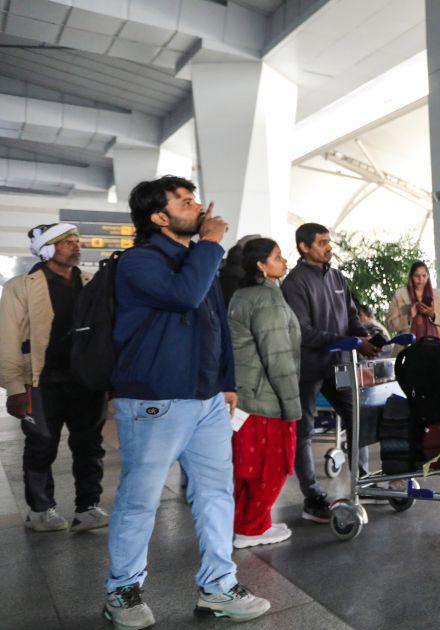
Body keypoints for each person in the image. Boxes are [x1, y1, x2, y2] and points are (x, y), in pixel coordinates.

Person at [104, 176, 270, 628]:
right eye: (184, 202)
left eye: (194, 198)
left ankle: (218, 586)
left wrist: (226, 382)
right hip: (155, 400)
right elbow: (184, 296)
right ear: (159, 217)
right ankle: (122, 591)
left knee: (215, 493)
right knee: (140, 500)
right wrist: (211, 243)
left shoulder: (198, 258)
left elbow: (216, 323)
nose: (197, 207)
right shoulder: (139, 261)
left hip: (207, 399)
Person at [0, 223, 108, 532]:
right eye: (67, 242)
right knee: (41, 446)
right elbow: (8, 338)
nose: (76, 246)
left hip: (86, 381)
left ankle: (88, 507)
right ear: (47, 249)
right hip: (42, 382)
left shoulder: (90, 282)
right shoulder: (21, 286)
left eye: (77, 241)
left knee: (90, 445)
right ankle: (40, 510)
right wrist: (14, 388)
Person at [282, 222, 380, 524]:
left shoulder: (337, 277)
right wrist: (350, 342)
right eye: (322, 242)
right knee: (304, 431)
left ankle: (361, 482)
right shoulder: (294, 283)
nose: (329, 247)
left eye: (329, 241)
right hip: (308, 368)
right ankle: (313, 498)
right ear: (304, 247)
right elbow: (303, 332)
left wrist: (363, 336)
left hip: (341, 365)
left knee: (357, 418)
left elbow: (351, 316)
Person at [228, 238, 301, 549]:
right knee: (270, 465)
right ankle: (253, 528)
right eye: (277, 256)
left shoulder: (241, 295)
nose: (283, 261)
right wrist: (291, 406)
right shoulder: (267, 299)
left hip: (245, 394)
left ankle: (246, 523)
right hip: (266, 397)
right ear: (261, 265)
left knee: (247, 466)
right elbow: (278, 356)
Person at [386, 260, 440, 339]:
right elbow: (390, 324)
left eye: (424, 276)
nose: (421, 279)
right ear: (411, 276)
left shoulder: (437, 294)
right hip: (409, 343)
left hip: (435, 343)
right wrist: (409, 317)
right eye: (417, 276)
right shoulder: (400, 294)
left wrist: (432, 315)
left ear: (428, 276)